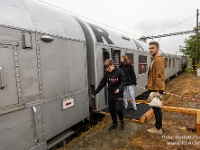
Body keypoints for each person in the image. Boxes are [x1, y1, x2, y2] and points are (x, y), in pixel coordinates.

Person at [92, 59, 126, 131]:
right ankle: (114, 123)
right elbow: (102, 84)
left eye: (108, 67)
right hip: (111, 94)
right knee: (111, 110)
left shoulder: (119, 72)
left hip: (118, 94)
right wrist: (95, 93)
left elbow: (123, 82)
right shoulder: (107, 74)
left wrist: (119, 89)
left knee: (118, 109)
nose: (107, 69)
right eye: (106, 68)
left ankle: (122, 121)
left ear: (112, 65)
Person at [147, 41, 165, 135]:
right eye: (150, 48)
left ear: (158, 48)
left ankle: (158, 128)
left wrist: (157, 91)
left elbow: (159, 75)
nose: (151, 50)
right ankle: (157, 126)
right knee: (155, 108)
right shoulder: (155, 59)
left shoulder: (158, 59)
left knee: (157, 108)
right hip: (154, 87)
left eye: (153, 48)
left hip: (156, 89)